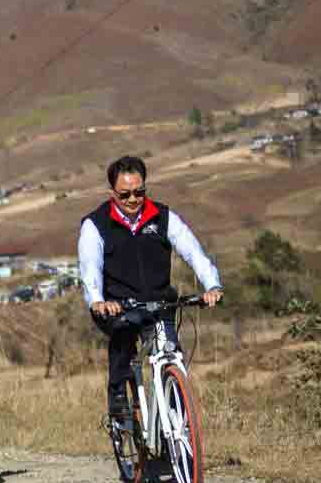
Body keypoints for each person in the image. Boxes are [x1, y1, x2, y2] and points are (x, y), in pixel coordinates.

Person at [77, 155, 223, 417]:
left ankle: (176, 422)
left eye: (139, 192)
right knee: (123, 331)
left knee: (170, 354)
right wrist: (98, 300)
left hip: (158, 303)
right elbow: (90, 269)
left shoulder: (164, 217)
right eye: (125, 195)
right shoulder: (95, 225)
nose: (133, 199)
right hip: (116, 306)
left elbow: (193, 253)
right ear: (112, 193)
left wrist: (212, 285)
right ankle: (119, 393)